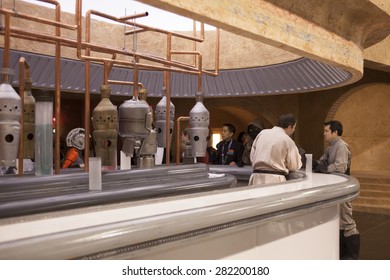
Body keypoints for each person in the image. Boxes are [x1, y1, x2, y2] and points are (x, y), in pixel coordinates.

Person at [313, 120, 360, 260]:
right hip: (336, 189)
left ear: (335, 132)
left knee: (346, 221)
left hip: (343, 190)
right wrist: (315, 163)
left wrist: (325, 168)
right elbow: (323, 162)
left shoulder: (341, 146)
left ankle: (352, 257)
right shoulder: (330, 147)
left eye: (326, 131)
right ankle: (341, 254)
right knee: (339, 222)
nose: (324, 133)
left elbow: (340, 167)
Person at [249, 113, 302, 185]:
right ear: (290, 127)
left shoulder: (262, 133)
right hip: (274, 179)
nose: (293, 130)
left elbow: (252, 156)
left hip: (256, 177)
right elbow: (294, 165)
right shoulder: (287, 140)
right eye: (294, 127)